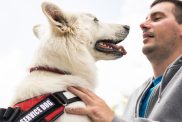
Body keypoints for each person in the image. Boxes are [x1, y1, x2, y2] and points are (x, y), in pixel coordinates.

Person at [65, 0, 182, 122]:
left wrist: (112, 119)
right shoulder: (135, 96)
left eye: (157, 18)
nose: (143, 25)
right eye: (146, 19)